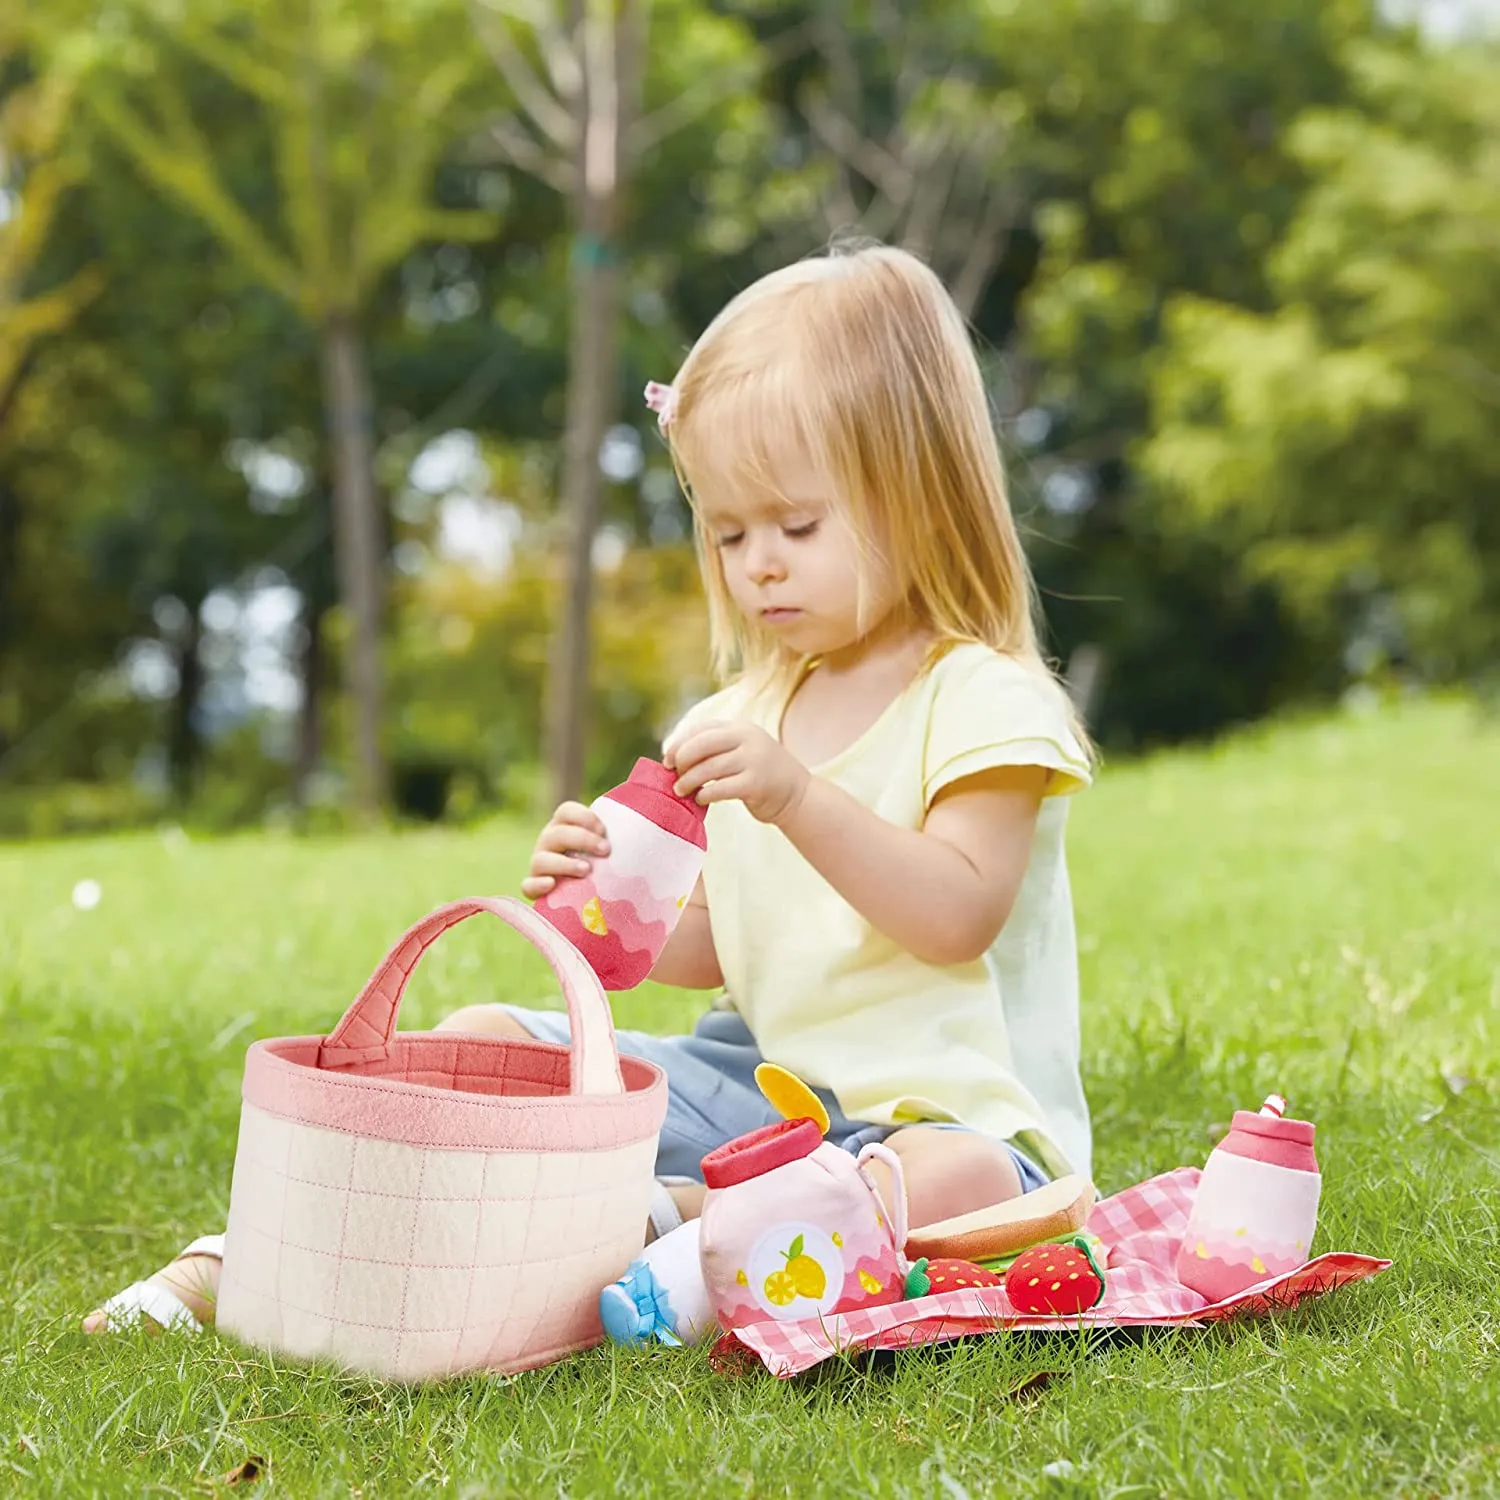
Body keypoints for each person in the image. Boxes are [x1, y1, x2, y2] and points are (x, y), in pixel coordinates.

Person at [84, 241, 1094, 1337]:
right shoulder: (735, 718)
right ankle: (264, 1253)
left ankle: (648, 1227)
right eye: (727, 530)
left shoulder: (985, 700)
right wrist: (602, 900)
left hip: (941, 1114)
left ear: (926, 501)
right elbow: (708, 948)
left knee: (968, 1190)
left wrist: (798, 799)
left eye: (798, 526)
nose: (758, 562)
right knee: (483, 1034)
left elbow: (955, 915)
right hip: (759, 1082)